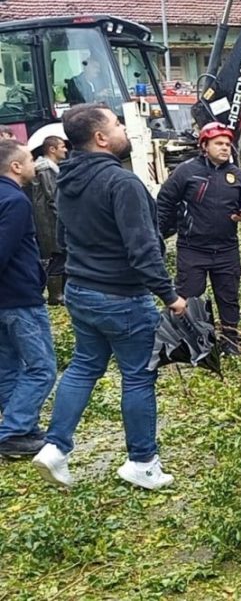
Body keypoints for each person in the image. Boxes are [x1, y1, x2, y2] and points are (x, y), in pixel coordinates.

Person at [32, 103, 186, 490]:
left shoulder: (68, 178)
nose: (122, 130)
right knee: (137, 375)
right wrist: (170, 296)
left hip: (81, 292)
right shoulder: (122, 183)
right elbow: (143, 249)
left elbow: (64, 238)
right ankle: (142, 463)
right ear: (101, 138)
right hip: (122, 298)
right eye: (117, 124)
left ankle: (54, 448)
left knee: (84, 366)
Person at [157, 122, 241, 355]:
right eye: (218, 144)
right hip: (193, 248)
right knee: (189, 297)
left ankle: (230, 342)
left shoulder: (236, 175)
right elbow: (164, 202)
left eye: (227, 144)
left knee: (228, 297)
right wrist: (158, 234)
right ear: (204, 146)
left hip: (226, 249)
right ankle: (191, 344)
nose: (224, 148)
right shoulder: (186, 171)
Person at [0, 140, 56, 457]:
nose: (36, 163)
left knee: (8, 367)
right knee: (42, 368)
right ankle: (11, 432)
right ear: (16, 167)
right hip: (19, 299)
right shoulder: (15, 201)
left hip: (4, 300)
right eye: (30, 159)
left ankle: (22, 430)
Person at [29, 136, 68, 305]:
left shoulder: (48, 168)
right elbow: (53, 197)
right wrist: (64, 218)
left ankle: (59, 293)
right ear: (52, 149)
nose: (65, 149)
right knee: (57, 256)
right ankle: (56, 295)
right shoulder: (46, 170)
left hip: (49, 219)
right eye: (62, 146)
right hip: (50, 221)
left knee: (58, 257)